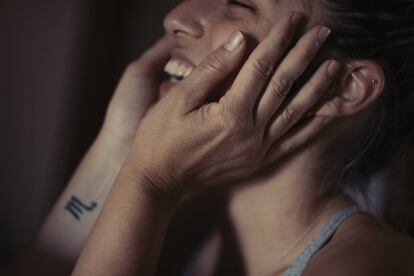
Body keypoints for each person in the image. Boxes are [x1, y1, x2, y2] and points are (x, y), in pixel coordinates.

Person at [6, 0, 414, 275]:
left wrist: (148, 180)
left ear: (344, 86)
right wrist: (120, 145)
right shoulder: (182, 224)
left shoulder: (369, 263)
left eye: (239, 3)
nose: (177, 16)